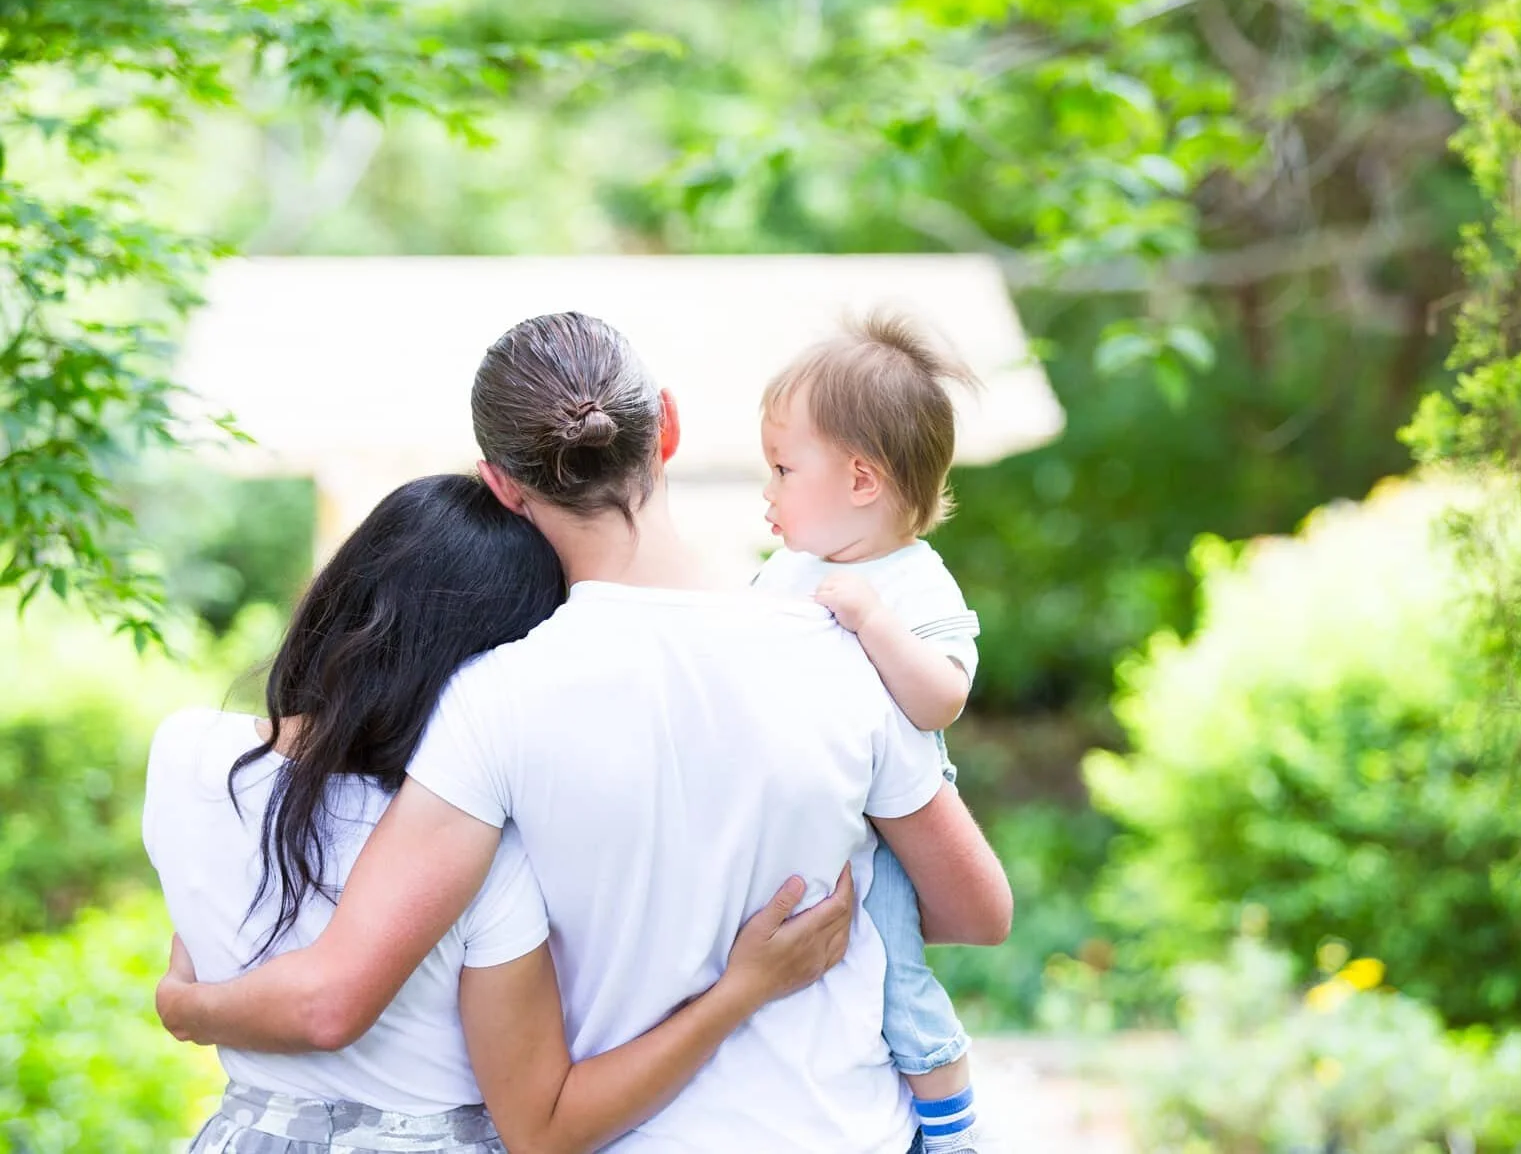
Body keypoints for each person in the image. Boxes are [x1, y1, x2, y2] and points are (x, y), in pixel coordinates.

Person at [156, 312, 1013, 1154]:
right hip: (845, 1128)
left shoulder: (490, 702)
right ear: (667, 426)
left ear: (500, 484)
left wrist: (189, 1007)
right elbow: (975, 910)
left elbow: (341, 987)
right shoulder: (845, 656)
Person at [146, 473, 854, 1153]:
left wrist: (185, 1008)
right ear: (488, 657)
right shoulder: (471, 851)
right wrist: (743, 990)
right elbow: (544, 1129)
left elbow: (197, 950)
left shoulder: (186, 754)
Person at [755, 312, 987, 1153]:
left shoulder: (912, 583)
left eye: (782, 468)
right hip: (807, 809)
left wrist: (874, 623)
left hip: (889, 827)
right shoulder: (784, 571)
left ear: (861, 480)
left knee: (890, 971)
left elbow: (940, 702)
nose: (767, 490)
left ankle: (948, 1118)